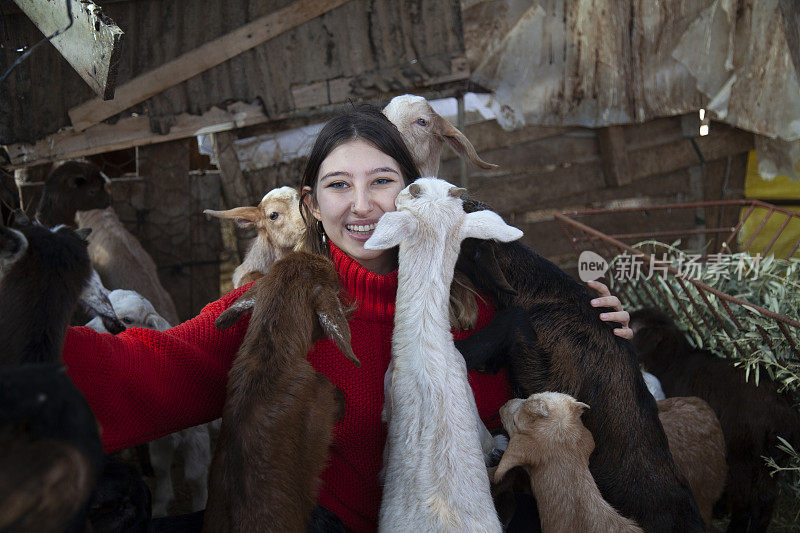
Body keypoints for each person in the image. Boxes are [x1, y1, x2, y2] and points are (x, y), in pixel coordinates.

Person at [62, 105, 631, 532]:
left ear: (411, 192)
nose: (361, 206)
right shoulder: (277, 308)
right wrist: (26, 346)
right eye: (339, 186)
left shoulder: (477, 308)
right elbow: (148, 371)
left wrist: (603, 340)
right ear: (311, 203)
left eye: (381, 181)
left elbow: (562, 416)